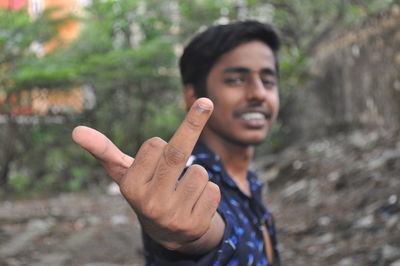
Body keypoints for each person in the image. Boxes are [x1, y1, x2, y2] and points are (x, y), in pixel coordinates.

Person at [72, 20, 281, 265]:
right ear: (192, 95)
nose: (258, 93)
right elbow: (206, 225)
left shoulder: (250, 181)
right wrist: (189, 236)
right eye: (235, 79)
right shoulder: (182, 179)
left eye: (268, 81)